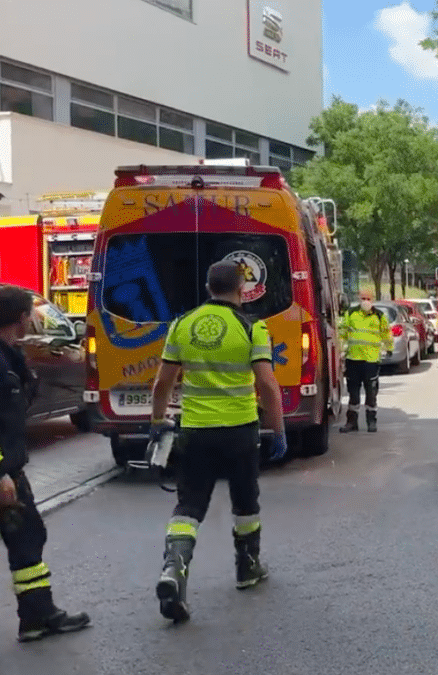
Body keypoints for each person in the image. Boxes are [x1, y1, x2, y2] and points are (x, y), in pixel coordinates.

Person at [148, 261, 286, 623]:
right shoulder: (252, 326)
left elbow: (163, 383)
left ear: (209, 287)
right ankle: (247, 567)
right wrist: (280, 430)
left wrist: (157, 422)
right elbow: (268, 385)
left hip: (195, 431)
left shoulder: (183, 324)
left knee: (189, 506)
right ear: (241, 288)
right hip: (240, 431)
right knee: (245, 502)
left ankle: (174, 570)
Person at [0, 285, 90, 642]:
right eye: (30, 314)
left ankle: (38, 616)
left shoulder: (4, 354)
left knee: (28, 536)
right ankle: (37, 616)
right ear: (22, 317)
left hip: (7, 469)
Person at [338, 290, 392, 434]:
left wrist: (389, 348)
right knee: (353, 393)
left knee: (371, 393)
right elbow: (342, 332)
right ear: (358, 299)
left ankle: (371, 421)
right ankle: (351, 422)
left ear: (372, 299)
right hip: (353, 359)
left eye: (368, 298)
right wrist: (341, 350)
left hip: (371, 360)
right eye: (363, 298)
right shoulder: (351, 314)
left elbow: (386, 333)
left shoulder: (379, 316)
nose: (365, 301)